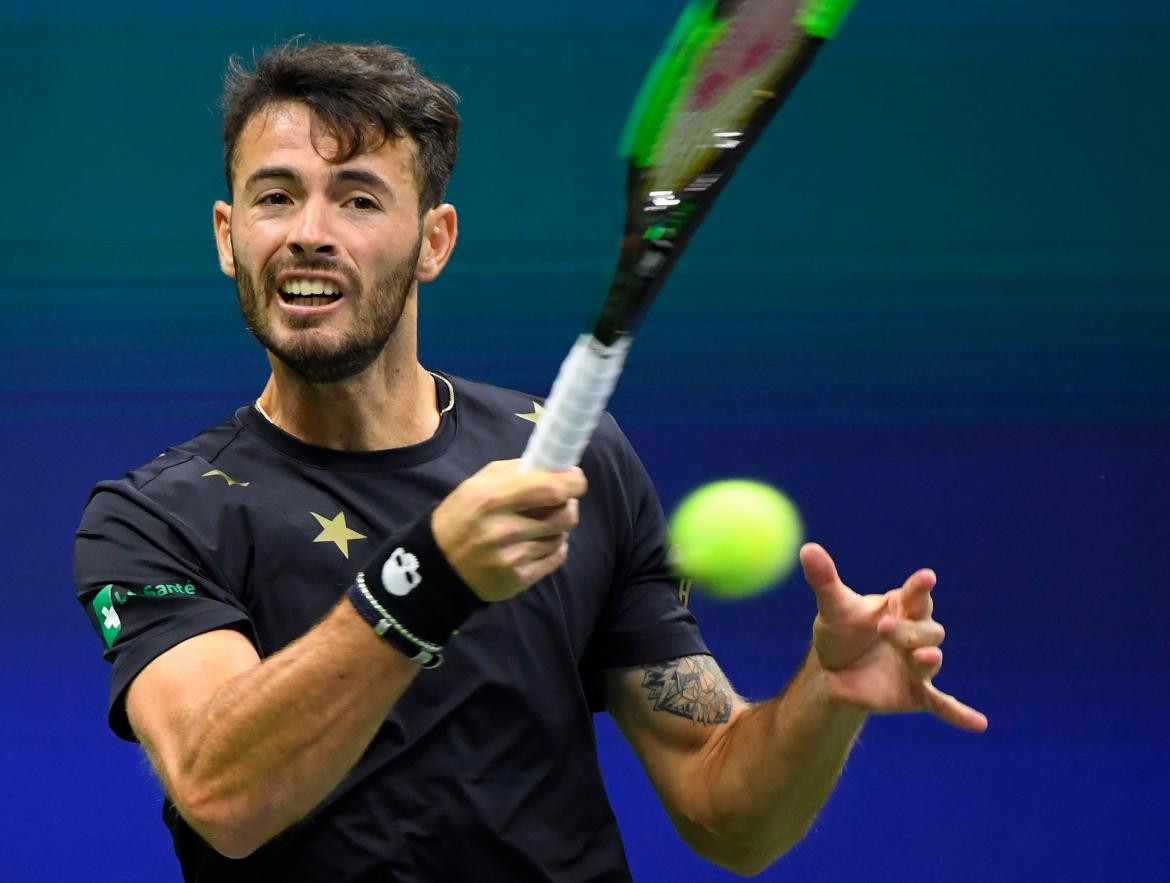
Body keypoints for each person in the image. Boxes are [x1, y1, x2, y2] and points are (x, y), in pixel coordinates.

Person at [73, 41, 987, 882]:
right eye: (277, 195)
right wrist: (430, 574)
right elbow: (222, 795)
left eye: (357, 198)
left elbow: (726, 811)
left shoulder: (577, 459)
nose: (310, 231)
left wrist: (824, 698)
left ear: (435, 241)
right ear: (230, 234)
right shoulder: (156, 517)